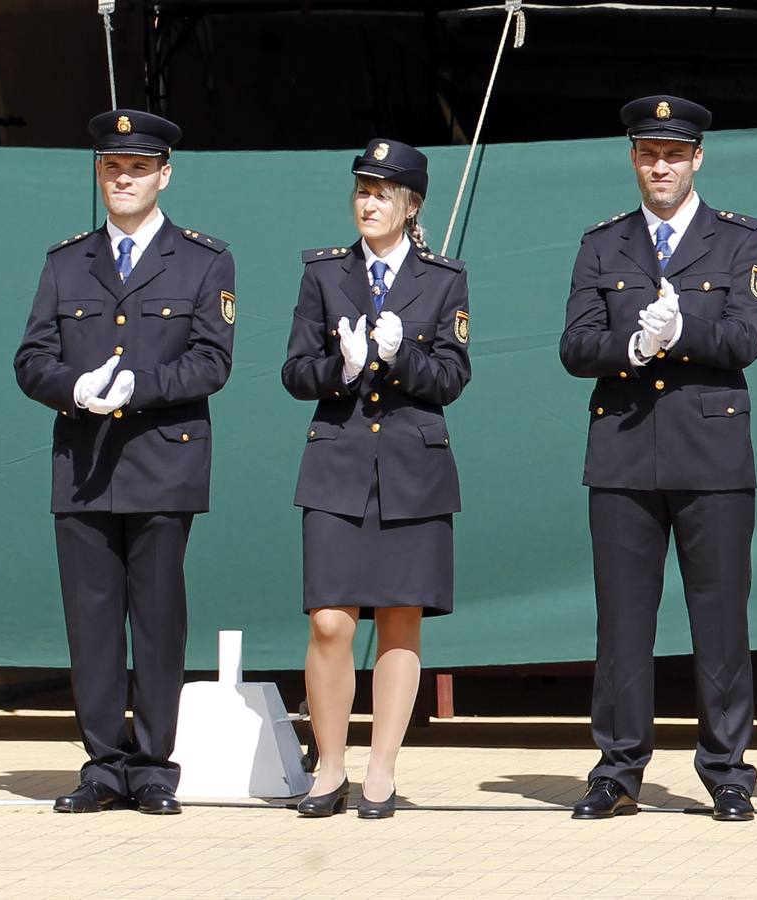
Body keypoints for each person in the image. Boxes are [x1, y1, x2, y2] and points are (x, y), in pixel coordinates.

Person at [14, 109, 235, 816]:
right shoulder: (64, 260)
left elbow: (212, 361)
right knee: (92, 621)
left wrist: (141, 386)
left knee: (159, 619)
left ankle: (152, 767)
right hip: (83, 465)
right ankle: (103, 766)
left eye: (138, 167)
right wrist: (72, 388)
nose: (124, 178)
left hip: (162, 464)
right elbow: (31, 358)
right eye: (113, 167)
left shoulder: (204, 259)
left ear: (164, 175)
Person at [558, 94, 757, 822]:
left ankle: (727, 769)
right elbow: (574, 346)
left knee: (720, 618)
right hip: (621, 448)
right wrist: (633, 348)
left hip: (711, 452)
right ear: (633, 159)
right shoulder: (602, 243)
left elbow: (745, 339)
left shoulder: (739, 238)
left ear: (697, 159)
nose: (661, 166)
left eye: (674, 154)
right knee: (621, 622)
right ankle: (618, 768)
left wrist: (683, 332)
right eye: (649, 154)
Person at [281, 139, 472, 819]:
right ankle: (328, 766)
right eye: (362, 189)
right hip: (334, 461)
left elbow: (452, 376)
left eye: (383, 193)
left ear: (411, 204)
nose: (368, 202)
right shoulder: (325, 275)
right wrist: (342, 366)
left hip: (413, 466)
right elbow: (293, 371)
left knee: (400, 617)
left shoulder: (444, 279)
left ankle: (381, 770)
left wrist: (399, 359)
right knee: (330, 620)